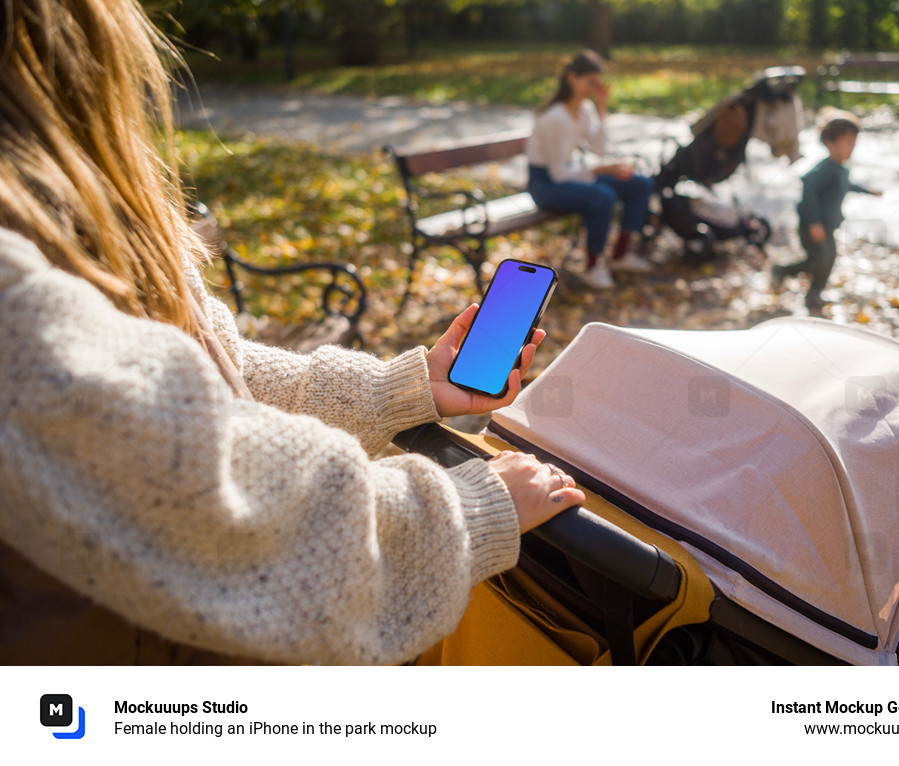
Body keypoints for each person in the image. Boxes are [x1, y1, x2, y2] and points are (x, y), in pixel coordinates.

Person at [0, 0, 586, 665]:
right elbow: (212, 494)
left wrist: (400, 386)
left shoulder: (60, 210)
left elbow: (210, 375)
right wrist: (463, 508)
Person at [526, 50, 654, 290]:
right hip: (545, 185)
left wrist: (602, 106)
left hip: (568, 174)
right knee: (603, 196)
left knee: (639, 183)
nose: (594, 88)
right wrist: (602, 170)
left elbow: (600, 148)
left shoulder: (585, 109)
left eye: (598, 83)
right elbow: (559, 174)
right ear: (572, 78)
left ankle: (621, 255)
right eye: (590, 82)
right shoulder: (555, 117)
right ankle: (593, 266)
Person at [771, 108, 882, 315]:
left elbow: (845, 185)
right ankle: (783, 270)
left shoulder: (840, 168)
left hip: (827, 227)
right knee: (819, 260)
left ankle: (815, 293)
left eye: (854, 143)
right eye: (848, 142)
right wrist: (813, 223)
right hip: (812, 226)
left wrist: (868, 191)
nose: (852, 148)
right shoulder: (826, 168)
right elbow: (808, 187)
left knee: (829, 259)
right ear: (831, 143)